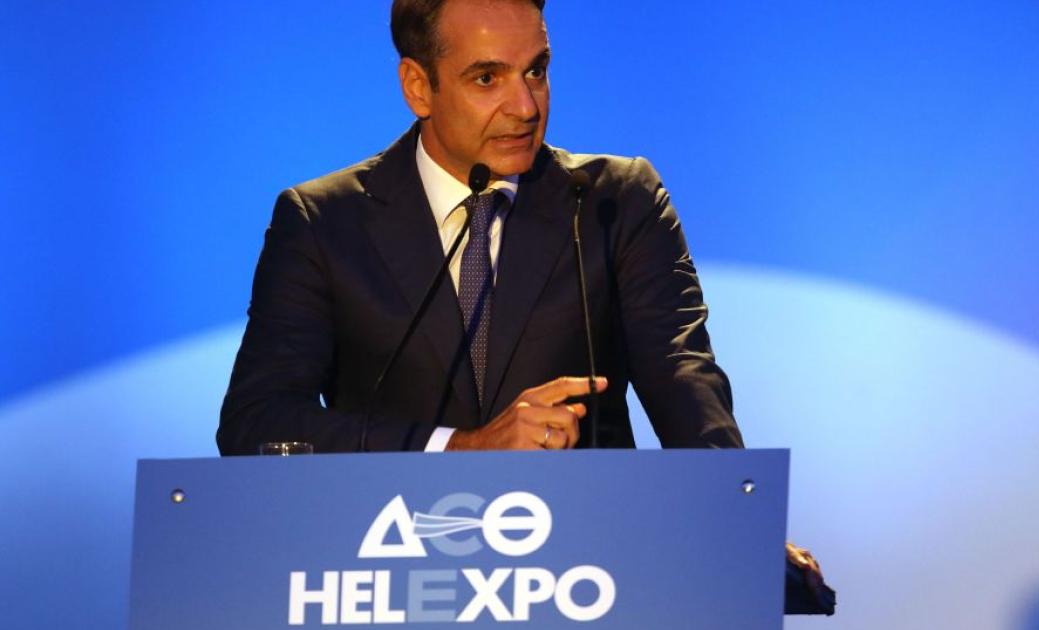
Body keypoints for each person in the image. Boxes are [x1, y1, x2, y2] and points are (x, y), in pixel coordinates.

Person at [216, 0, 831, 612]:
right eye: (487, 78)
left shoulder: (615, 202)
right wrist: (460, 448)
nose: (526, 106)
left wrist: (734, 515)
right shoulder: (324, 223)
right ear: (418, 86)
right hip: (390, 581)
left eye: (535, 70)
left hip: (587, 583)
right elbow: (258, 422)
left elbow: (683, 379)